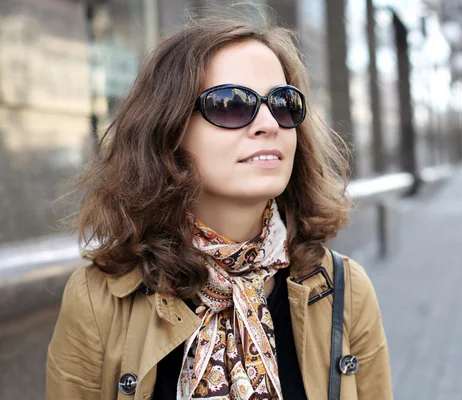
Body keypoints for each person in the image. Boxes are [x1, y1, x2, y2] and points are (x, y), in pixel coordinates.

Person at [46, 6, 392, 400]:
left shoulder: (344, 290)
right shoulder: (98, 300)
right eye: (231, 104)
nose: (268, 123)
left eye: (283, 103)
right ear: (170, 130)